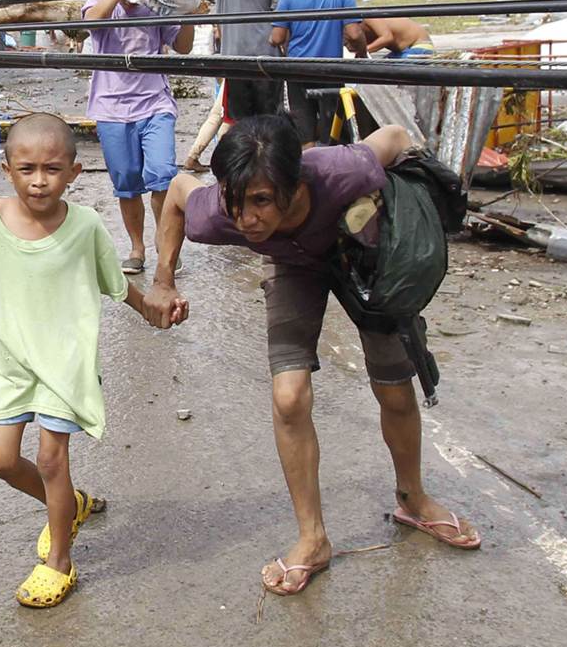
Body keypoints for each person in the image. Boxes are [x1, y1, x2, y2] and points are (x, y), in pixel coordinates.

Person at [142, 114, 481, 597]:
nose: (247, 219)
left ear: (296, 182)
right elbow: (177, 190)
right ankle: (312, 538)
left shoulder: (344, 171)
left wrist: (408, 210)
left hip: (361, 254)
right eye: (236, 202)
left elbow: (397, 137)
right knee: (289, 397)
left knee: (394, 388)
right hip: (292, 267)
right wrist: (163, 278)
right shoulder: (215, 212)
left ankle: (413, 497)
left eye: (261, 201)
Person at [0, 113, 147, 608]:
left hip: (64, 362)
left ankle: (60, 560)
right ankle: (69, 506)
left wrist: (153, 310)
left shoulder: (86, 225)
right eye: (27, 168)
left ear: (74, 173)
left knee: (53, 460)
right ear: (7, 168)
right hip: (8, 360)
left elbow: (114, 284)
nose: (39, 180)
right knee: (2, 461)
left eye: (52, 169)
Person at [83, 0, 196, 274]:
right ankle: (137, 247)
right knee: (127, 183)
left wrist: (188, 9)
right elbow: (92, 21)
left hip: (155, 103)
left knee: (162, 175)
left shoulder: (156, 5)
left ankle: (165, 242)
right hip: (111, 107)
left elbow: (184, 47)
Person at [184, 0, 287, 173]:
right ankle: (263, 171)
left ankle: (238, 169)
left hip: (233, 62)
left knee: (238, 122)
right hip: (265, 63)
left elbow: (218, 20)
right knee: (266, 125)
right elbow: (280, 24)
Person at [270, 0, 367, 145]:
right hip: (330, 69)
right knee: (333, 130)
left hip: (298, 69)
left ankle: (309, 171)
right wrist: (361, 52)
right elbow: (355, 34)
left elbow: (277, 37)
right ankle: (332, 171)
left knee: (304, 134)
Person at [357, 17, 434, 58]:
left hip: (419, 46)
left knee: (387, 70)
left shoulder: (368, 18)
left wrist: (364, 51)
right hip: (400, 52)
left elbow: (387, 38)